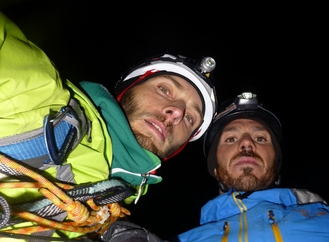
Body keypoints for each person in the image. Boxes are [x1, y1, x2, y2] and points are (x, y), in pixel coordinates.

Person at [0, 11, 217, 241]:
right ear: (126, 91)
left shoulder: (110, 210)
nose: (177, 112)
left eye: (190, 118)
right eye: (164, 90)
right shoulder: (39, 96)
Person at [173, 92, 329, 242]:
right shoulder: (179, 240)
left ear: (275, 163)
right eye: (231, 139)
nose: (246, 143)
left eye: (260, 138)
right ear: (215, 168)